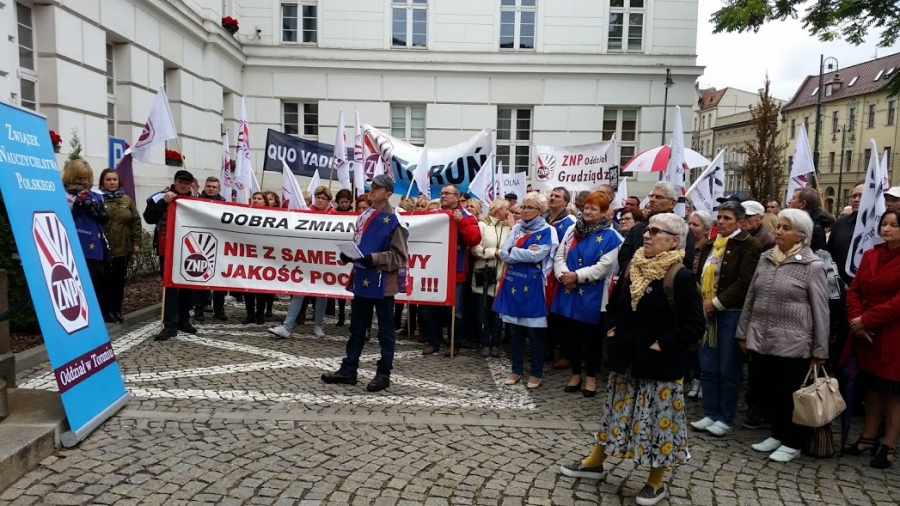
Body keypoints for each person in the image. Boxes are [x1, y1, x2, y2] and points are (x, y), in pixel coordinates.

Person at [560, 213, 705, 506]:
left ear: (674, 241)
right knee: (614, 415)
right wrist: (613, 329)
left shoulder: (680, 276)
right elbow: (614, 305)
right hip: (626, 358)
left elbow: (694, 326)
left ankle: (655, 482)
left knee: (658, 425)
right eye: (647, 230)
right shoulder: (633, 266)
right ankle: (595, 463)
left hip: (658, 366)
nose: (646, 235)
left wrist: (662, 344)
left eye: (655, 231)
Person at [736, 209, 829, 463]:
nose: (779, 231)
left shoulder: (812, 266)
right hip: (763, 338)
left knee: (790, 394)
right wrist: (743, 332)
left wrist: (820, 350)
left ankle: (792, 441)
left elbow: (821, 310)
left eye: (786, 228)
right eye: (778, 226)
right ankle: (777, 434)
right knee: (770, 391)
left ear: (801, 235)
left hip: (795, 343)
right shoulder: (766, 258)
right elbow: (751, 297)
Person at [321, 174, 408, 392]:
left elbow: (399, 257)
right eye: (372, 186)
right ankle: (349, 369)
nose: (372, 190)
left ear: (388, 194)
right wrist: (349, 255)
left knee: (385, 331)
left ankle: (383, 373)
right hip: (363, 278)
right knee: (357, 328)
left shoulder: (395, 220)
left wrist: (373, 258)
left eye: (378, 188)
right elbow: (360, 244)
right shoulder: (364, 216)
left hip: (382, 283)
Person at [691, 200, 762, 437]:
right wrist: (702, 300)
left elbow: (745, 281)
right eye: (719, 217)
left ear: (740, 222)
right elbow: (701, 275)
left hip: (731, 313)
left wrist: (717, 303)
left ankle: (725, 417)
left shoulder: (750, 245)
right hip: (707, 312)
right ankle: (710, 412)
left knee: (728, 368)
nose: (721, 222)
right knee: (708, 365)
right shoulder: (711, 244)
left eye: (727, 218)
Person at [842, 209, 900, 468]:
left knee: (893, 393)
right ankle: (867, 437)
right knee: (872, 388)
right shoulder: (871, 254)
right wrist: (856, 320)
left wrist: (867, 319)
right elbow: (854, 290)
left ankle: (888, 445)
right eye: (884, 224)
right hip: (866, 334)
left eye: (894, 225)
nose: (886, 229)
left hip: (892, 335)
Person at [552, 192, 622, 397]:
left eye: (594, 208)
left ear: (604, 212)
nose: (588, 211)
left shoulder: (611, 237)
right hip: (569, 290)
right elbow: (560, 255)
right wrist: (564, 275)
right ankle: (575, 374)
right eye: (587, 207)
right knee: (571, 335)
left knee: (591, 338)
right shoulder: (573, 230)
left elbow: (605, 266)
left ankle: (590, 376)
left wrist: (577, 276)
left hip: (594, 295)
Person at [494, 192, 557, 389]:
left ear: (540, 211)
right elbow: (504, 253)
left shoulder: (548, 231)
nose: (525, 211)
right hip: (513, 282)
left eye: (530, 207)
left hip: (534, 286)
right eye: (524, 206)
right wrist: (523, 252)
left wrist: (515, 252)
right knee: (515, 330)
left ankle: (536, 372)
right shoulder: (517, 228)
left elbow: (537, 256)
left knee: (535, 332)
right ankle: (516, 369)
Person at [422, 184, 481, 357]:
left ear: (457, 196)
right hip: (433, 268)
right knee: (430, 308)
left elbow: (474, 239)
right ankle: (433, 341)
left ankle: (454, 342)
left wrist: (461, 222)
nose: (443, 196)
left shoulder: (467, 216)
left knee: (456, 311)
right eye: (441, 193)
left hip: (456, 270)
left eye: (447, 193)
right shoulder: (434, 214)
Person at [144, 170, 197, 340]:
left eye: (187, 183)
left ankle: (184, 320)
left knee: (188, 286)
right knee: (170, 287)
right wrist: (164, 203)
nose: (183, 186)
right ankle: (169, 325)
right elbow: (148, 218)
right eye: (181, 182)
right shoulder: (159, 197)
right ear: (175, 182)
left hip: (189, 250)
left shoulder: (196, 201)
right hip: (166, 248)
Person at [63, 159, 111, 319]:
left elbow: (104, 218)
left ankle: (92, 314)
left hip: (93, 243)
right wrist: (76, 210)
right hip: (72, 242)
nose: (83, 181)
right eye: (80, 178)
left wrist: (97, 212)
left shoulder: (95, 194)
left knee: (93, 281)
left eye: (86, 178)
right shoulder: (64, 194)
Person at [618, 182, 695, 276]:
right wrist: (638, 273)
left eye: (658, 197)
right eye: (651, 196)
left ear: (672, 203)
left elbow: (686, 262)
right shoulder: (638, 228)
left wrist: (658, 274)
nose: (652, 200)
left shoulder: (683, 230)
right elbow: (624, 257)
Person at [98, 168, 141, 323]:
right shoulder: (98, 199)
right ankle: (106, 311)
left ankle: (117, 309)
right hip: (104, 248)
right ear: (103, 182)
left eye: (114, 179)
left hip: (123, 247)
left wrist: (137, 242)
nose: (112, 182)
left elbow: (135, 221)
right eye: (108, 180)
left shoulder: (126, 200)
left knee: (119, 280)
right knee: (104, 281)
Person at [471, 199, 511, 357]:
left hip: (502, 274)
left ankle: (495, 342)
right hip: (485, 272)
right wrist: (493, 253)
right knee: (483, 309)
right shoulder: (482, 225)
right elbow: (475, 248)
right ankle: (484, 342)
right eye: (506, 209)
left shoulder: (509, 228)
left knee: (498, 312)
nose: (508, 212)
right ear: (498, 209)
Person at [544, 187, 576, 368]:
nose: (552, 198)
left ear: (565, 202)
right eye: (551, 195)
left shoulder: (570, 222)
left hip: (561, 273)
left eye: (557, 196)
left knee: (562, 315)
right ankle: (547, 349)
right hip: (544, 273)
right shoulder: (543, 219)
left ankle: (566, 353)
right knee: (546, 313)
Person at [686, 209, 713, 399]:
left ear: (706, 229)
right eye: (689, 223)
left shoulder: (710, 249)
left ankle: (701, 377)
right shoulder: (684, 246)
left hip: (703, 298)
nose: (691, 227)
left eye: (695, 225)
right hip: (687, 297)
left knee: (701, 342)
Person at [194, 177, 228, 322]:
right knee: (201, 277)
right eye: (209, 186)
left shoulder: (225, 204)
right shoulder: (196, 202)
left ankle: (219, 310)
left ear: (219, 189)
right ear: (205, 187)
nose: (211, 189)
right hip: (202, 243)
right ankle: (199, 309)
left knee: (220, 280)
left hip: (220, 245)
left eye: (214, 187)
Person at [242, 192, 273, 325]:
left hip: (264, 256)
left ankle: (260, 314)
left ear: (265, 202)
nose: (256, 200)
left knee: (261, 288)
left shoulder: (272, 216)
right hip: (249, 255)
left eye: (259, 199)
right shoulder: (245, 214)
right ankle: (250, 314)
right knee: (248, 287)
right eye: (254, 198)